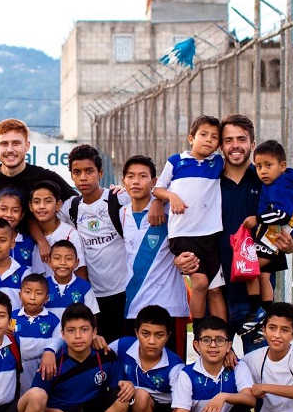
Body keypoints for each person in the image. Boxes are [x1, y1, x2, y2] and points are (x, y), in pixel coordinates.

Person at [174, 114, 293, 353]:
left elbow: (291, 220)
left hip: (257, 300)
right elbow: (178, 218)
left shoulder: (267, 180)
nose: (235, 145)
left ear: (252, 144)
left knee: (262, 369)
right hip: (216, 293)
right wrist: (177, 257)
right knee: (213, 374)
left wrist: (291, 244)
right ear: (221, 146)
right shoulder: (207, 180)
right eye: (228, 140)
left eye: (241, 139)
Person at [31, 303, 134, 412]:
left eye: (84, 330)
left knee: (122, 395)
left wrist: (128, 386)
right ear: (62, 334)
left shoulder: (106, 356)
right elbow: (35, 403)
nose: (78, 336)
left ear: (94, 332)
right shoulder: (51, 363)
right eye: (71, 331)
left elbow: (117, 389)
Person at [153, 115, 227, 328]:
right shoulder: (176, 161)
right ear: (191, 138)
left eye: (214, 137)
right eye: (203, 135)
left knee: (215, 289)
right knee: (201, 282)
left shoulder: (218, 163)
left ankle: (221, 336)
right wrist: (170, 197)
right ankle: (200, 329)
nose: (208, 140)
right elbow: (158, 188)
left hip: (211, 234)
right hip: (183, 235)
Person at [0, 118, 76, 265]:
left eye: (16, 143)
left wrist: (114, 192)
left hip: (36, 259)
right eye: (4, 144)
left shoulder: (44, 177)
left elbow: (78, 203)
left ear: (27, 146)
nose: (10, 149)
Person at [121, 155, 189, 358]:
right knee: (135, 374)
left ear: (153, 182)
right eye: (130, 176)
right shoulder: (120, 212)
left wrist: (161, 198)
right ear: (123, 180)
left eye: (142, 176)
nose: (135, 181)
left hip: (170, 307)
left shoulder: (170, 210)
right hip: (134, 308)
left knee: (173, 372)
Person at [60, 144, 129, 342]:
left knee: (123, 348)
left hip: (124, 293)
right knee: (99, 348)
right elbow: (42, 217)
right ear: (71, 176)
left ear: (100, 173)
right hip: (93, 295)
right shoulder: (71, 208)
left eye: (89, 171)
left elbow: (149, 200)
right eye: (77, 172)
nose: (83, 177)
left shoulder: (119, 199)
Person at [106, 304, 184, 412]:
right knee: (139, 396)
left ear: (168, 336)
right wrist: (97, 341)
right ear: (136, 333)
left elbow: (180, 408)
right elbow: (97, 356)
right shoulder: (122, 346)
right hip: (137, 409)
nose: (151, 341)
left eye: (159, 335)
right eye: (145, 334)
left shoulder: (175, 365)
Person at [242, 140, 293, 329]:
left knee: (250, 269)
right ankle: (266, 315)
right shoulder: (277, 183)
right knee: (263, 276)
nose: (263, 171)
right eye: (259, 166)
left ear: (282, 166)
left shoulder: (280, 187)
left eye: (268, 165)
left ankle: (255, 312)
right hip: (272, 236)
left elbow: (282, 214)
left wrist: (257, 219)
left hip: (274, 236)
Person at [12, 273, 61, 395]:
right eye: (27, 292)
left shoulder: (53, 320)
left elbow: (61, 340)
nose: (32, 297)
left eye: (38, 293)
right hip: (16, 376)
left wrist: (49, 350)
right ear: (20, 295)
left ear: (46, 298)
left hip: (43, 372)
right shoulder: (12, 317)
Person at [28, 180, 87, 279]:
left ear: (58, 205)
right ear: (30, 206)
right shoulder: (29, 235)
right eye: (37, 202)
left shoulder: (70, 234)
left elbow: (81, 272)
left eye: (48, 201)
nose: (42, 206)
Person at [43, 240, 99, 322]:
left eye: (68, 258)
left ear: (76, 263)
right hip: (50, 335)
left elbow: (92, 316)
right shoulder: (43, 285)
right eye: (57, 258)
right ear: (49, 262)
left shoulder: (84, 287)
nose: (62, 263)